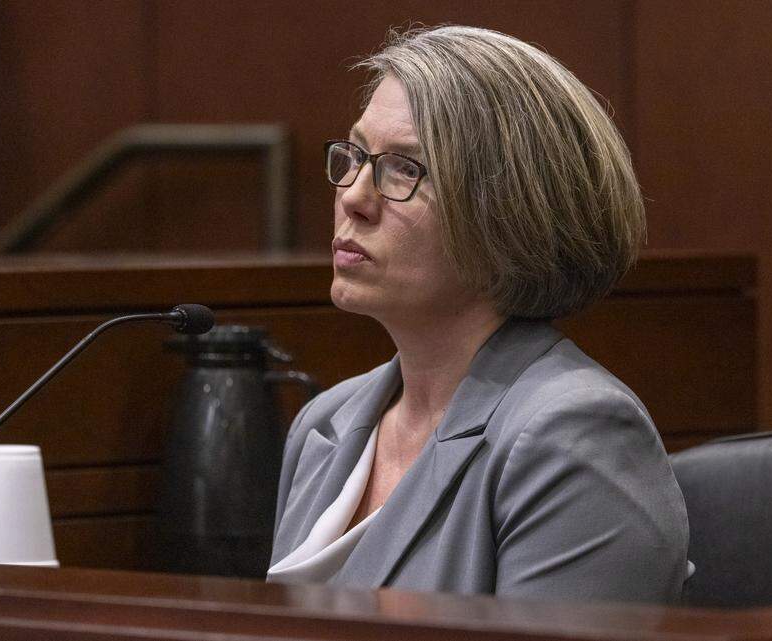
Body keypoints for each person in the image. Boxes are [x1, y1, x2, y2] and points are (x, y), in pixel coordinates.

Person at [267, 25, 689, 603]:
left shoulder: (572, 436)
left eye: (403, 169)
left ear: (509, 213)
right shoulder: (325, 422)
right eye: (355, 155)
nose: (353, 196)